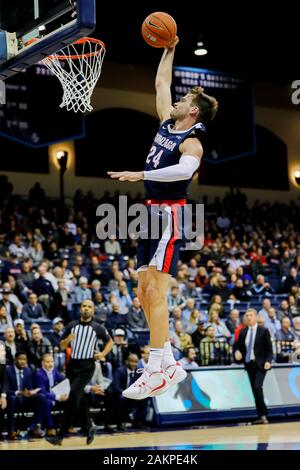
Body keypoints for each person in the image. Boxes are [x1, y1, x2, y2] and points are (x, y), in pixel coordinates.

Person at [108, 37, 218, 399]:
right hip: (149, 214)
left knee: (156, 290)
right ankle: (168, 362)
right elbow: (161, 83)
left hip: (171, 215)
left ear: (194, 113)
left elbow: (184, 172)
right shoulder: (165, 125)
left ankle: (156, 368)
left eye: (184, 102)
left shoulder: (193, 142)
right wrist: (169, 50)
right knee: (142, 291)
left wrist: (142, 175)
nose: (176, 101)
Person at [46, 299, 113, 446]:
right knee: (80, 399)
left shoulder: (97, 327)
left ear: (93, 311)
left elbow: (110, 342)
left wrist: (102, 354)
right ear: (80, 309)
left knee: (72, 398)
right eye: (84, 306)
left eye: (89, 307)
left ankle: (60, 435)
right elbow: (62, 346)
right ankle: (89, 427)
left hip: (87, 366)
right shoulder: (71, 325)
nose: (86, 309)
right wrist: (67, 340)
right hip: (72, 366)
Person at [235, 308, 273, 424]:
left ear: (256, 317)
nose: (248, 317)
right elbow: (238, 346)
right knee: (255, 391)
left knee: (257, 387)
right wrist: (237, 352)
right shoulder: (243, 332)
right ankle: (261, 415)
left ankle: (264, 414)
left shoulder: (263, 331)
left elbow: (269, 350)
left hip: (261, 365)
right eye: (247, 315)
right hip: (249, 364)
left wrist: (268, 361)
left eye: (251, 315)